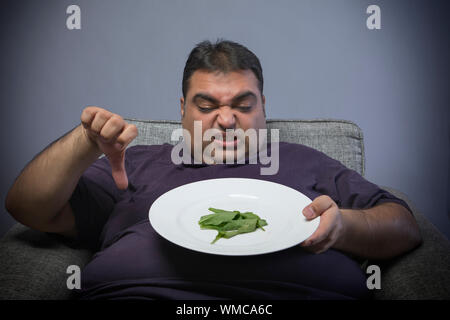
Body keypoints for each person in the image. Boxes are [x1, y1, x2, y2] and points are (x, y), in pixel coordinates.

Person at [5, 40, 421, 300]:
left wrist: (344, 227)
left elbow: (404, 227)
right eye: (207, 106)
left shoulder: (304, 159)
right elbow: (29, 208)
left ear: (264, 108)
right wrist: (86, 142)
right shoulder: (135, 160)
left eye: (243, 105)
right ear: (182, 109)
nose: (226, 120)